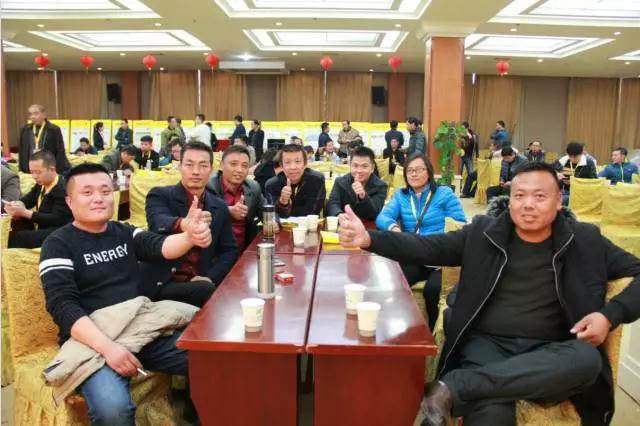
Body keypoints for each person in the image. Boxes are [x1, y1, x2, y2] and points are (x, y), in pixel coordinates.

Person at [339, 161, 640, 426]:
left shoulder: (585, 241)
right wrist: (369, 239)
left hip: (552, 350)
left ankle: (455, 387)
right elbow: (428, 247)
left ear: (559, 201)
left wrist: (609, 316)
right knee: (490, 415)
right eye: (519, 196)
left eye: (539, 196)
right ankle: (475, 386)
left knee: (587, 360)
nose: (528, 204)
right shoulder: (484, 233)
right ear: (510, 200)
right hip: (487, 347)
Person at [39, 162, 211, 425]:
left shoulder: (124, 232)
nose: (98, 198)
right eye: (87, 192)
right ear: (70, 202)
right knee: (113, 409)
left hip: (138, 329)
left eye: (105, 191)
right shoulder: (58, 244)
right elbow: (63, 306)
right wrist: (109, 348)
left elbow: (160, 246)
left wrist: (189, 237)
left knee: (212, 360)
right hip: (93, 340)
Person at [375, 154, 466, 329]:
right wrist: (394, 229)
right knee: (394, 280)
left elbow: (458, 224)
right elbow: (382, 217)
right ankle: (399, 326)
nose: (414, 174)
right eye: (410, 171)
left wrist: (447, 250)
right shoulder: (401, 196)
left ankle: (431, 333)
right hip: (415, 254)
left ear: (429, 172)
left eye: (418, 170)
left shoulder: (444, 193)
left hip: (440, 257)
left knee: (432, 290)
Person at [144, 141, 239, 307]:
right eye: (189, 164)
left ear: (211, 169)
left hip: (200, 281)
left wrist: (210, 277)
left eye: (203, 165)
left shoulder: (219, 206)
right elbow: (157, 222)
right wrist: (184, 224)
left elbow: (229, 250)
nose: (196, 171)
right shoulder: (160, 195)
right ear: (179, 166)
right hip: (164, 283)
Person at [5, 151, 72, 248]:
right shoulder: (41, 184)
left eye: (38, 172)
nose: (34, 176)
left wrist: (24, 213)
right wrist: (16, 204)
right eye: (32, 172)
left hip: (59, 231)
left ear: (52, 169)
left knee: (20, 237)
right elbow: (29, 199)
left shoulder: (63, 188)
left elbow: (58, 219)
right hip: (42, 226)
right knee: (13, 227)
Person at [208, 145, 269, 251]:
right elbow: (202, 215)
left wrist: (273, 221)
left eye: (245, 166)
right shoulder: (208, 187)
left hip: (245, 251)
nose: (239, 170)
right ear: (221, 165)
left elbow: (267, 211)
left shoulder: (253, 187)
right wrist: (228, 211)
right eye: (233, 164)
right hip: (215, 251)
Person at [327, 146, 387, 221]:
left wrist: (363, 196)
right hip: (344, 224)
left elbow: (374, 213)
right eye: (355, 165)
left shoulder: (380, 186)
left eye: (364, 166)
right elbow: (332, 204)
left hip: (367, 226)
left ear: (372, 168)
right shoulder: (340, 182)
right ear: (350, 165)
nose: (359, 170)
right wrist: (338, 214)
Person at [266, 144, 326, 218]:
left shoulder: (316, 180)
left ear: (305, 164)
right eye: (287, 162)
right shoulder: (272, 185)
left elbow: (313, 211)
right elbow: (274, 216)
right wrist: (283, 202)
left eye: (297, 161)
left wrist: (288, 211)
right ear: (281, 166)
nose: (293, 167)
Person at [18, 104, 70, 174]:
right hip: (30, 168)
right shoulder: (25, 130)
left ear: (44, 114)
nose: (32, 116)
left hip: (47, 168)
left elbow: (60, 151)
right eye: (30, 114)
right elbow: (21, 151)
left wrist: (58, 171)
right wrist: (21, 169)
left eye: (36, 113)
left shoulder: (53, 130)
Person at [553, 141, 597, 205]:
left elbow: (594, 181)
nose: (572, 159)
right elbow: (551, 172)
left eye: (575, 157)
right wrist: (557, 176)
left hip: (580, 193)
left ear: (581, 153)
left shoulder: (589, 163)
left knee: (559, 201)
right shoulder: (563, 160)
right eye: (570, 156)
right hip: (563, 190)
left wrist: (575, 182)